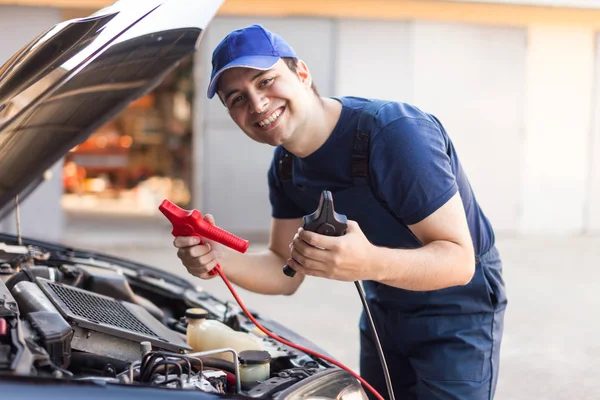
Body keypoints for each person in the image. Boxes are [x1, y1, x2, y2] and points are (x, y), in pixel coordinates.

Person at [173, 23, 507, 400]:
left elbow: (460, 262)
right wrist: (217, 259)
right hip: (385, 304)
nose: (256, 103)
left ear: (301, 72)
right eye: (236, 98)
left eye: (265, 81)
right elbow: (285, 269)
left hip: (458, 310)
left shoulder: (395, 134)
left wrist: (369, 265)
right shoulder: (286, 167)